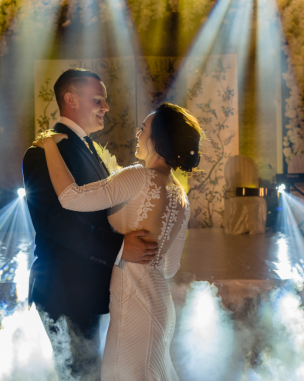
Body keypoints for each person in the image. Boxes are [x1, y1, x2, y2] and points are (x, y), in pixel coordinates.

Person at [35, 101, 204, 381]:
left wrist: (49, 145)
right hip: (160, 306)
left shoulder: (137, 176)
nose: (137, 134)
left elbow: (70, 197)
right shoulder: (180, 196)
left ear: (158, 138)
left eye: (143, 129)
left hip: (133, 307)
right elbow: (170, 267)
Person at [22, 69, 159, 377]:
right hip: (65, 291)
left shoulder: (89, 149)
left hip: (86, 289)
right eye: (98, 100)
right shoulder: (44, 151)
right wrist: (120, 247)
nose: (106, 108)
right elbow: (56, 223)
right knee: (79, 375)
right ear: (71, 100)